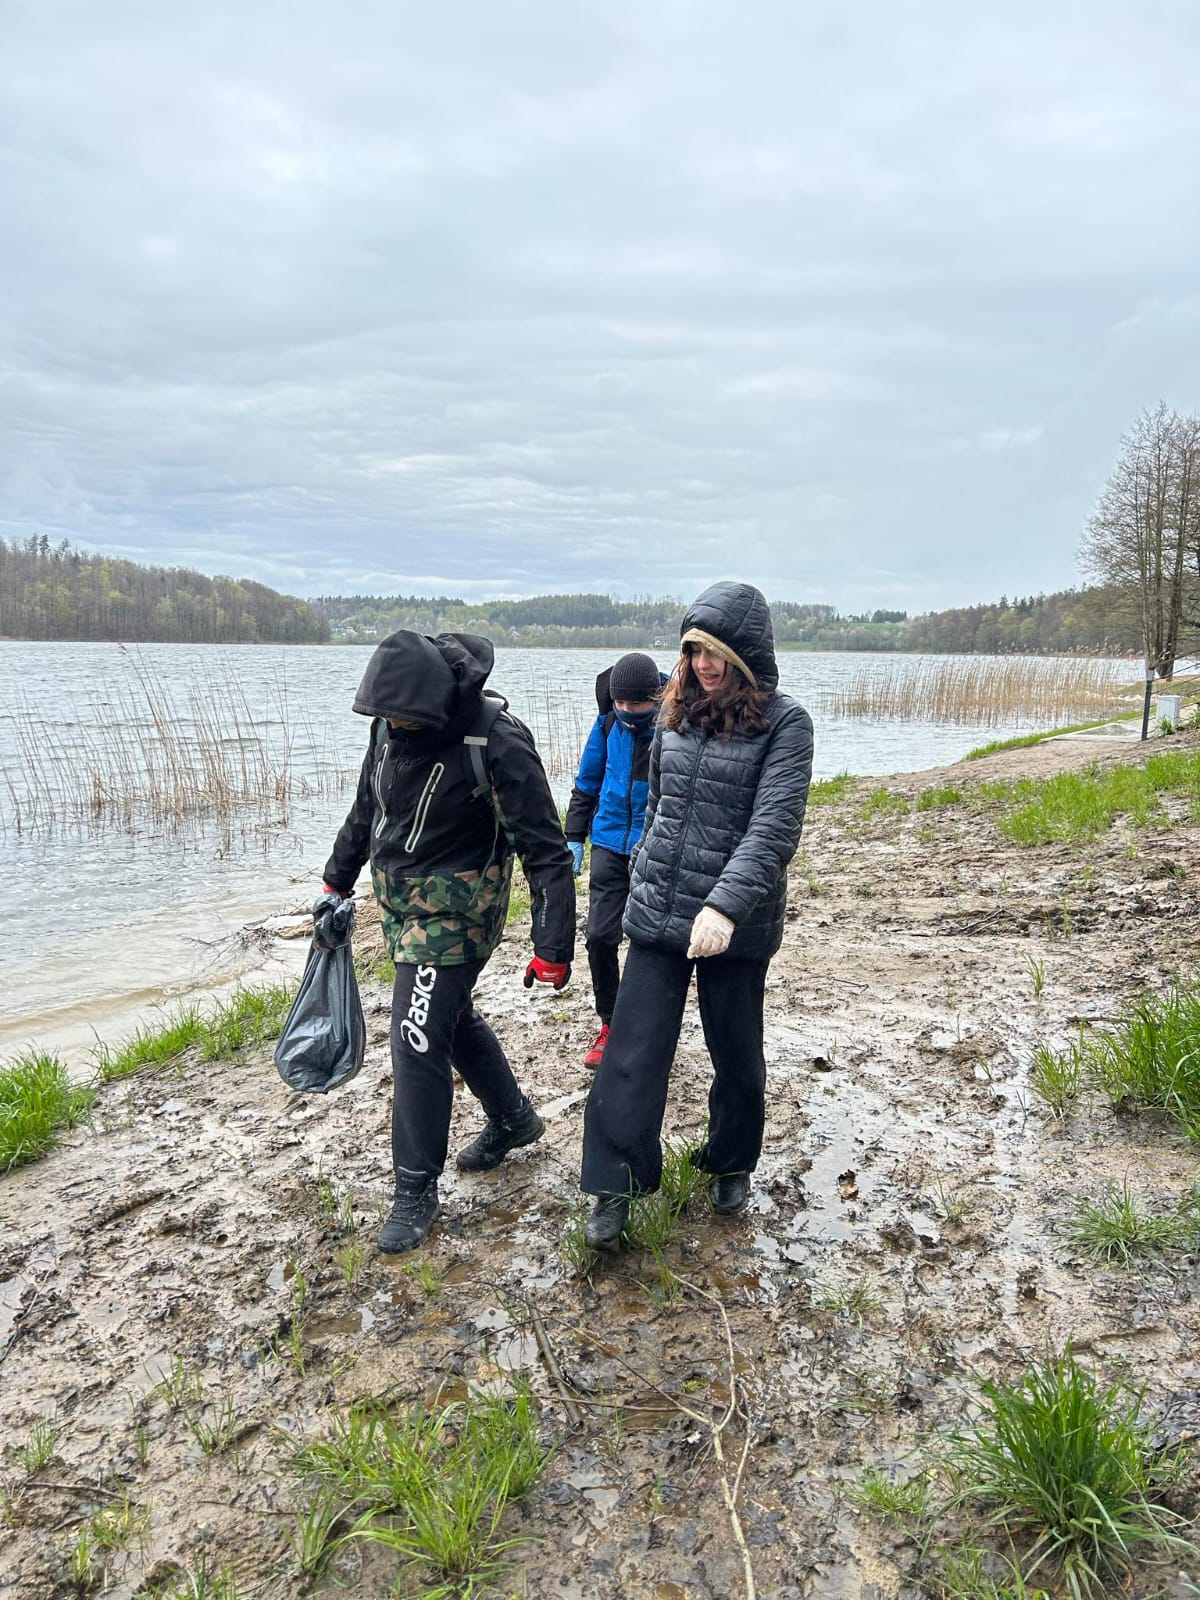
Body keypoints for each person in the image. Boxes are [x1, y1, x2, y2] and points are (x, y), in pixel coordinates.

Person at [317, 630, 575, 1254]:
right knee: (445, 1018)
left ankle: (414, 1189)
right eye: (383, 715)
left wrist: (553, 944)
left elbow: (545, 850)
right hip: (401, 908)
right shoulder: (386, 729)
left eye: (402, 715)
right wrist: (336, 878)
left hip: (465, 911)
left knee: (414, 1029)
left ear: (433, 701)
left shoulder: (496, 738)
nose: (392, 723)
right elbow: (365, 810)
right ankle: (515, 1120)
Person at [578, 582, 814, 1249]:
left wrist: (725, 905)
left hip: (732, 925)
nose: (704, 663)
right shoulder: (671, 711)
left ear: (746, 652)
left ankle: (730, 1161)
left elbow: (773, 828)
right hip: (658, 912)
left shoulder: (786, 723)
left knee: (735, 1053)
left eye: (715, 651)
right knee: (632, 1050)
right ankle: (613, 1189)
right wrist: (638, 875)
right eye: (692, 650)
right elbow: (656, 809)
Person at [564, 652, 665, 1068]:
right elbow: (587, 781)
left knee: (649, 941)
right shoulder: (606, 724)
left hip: (652, 848)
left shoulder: (671, 727)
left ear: (655, 698)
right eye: (620, 703)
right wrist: (574, 836)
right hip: (606, 842)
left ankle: (646, 1028)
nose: (626, 711)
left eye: (635, 704)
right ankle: (609, 1023)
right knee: (600, 938)